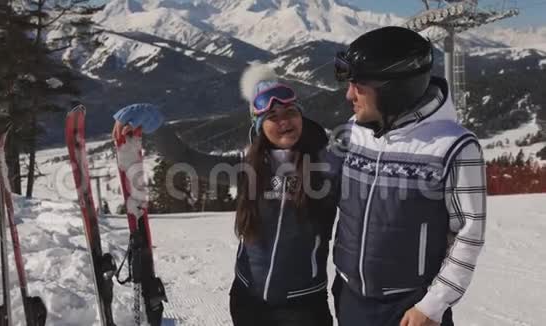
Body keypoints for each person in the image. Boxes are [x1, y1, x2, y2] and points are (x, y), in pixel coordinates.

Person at [112, 63, 340, 326]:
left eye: (290, 112)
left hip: (302, 307)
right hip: (248, 300)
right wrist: (157, 125)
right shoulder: (248, 168)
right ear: (259, 127)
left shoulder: (327, 166)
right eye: (272, 117)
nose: (284, 121)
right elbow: (187, 159)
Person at [330, 26, 487, 326]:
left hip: (408, 310)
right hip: (350, 300)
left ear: (392, 90)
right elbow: (320, 183)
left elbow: (468, 235)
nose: (349, 94)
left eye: (359, 85)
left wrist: (432, 306)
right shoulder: (354, 131)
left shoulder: (454, 147)